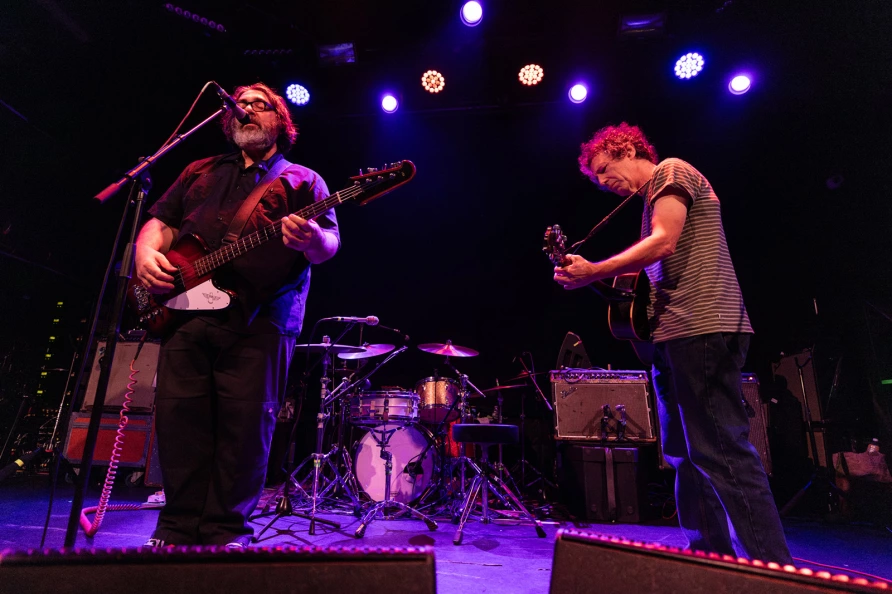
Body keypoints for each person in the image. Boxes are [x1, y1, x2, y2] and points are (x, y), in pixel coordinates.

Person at [554, 122, 793, 564]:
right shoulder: (651, 202)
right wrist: (593, 277)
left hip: (702, 329)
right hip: (673, 337)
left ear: (627, 149)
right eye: (596, 179)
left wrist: (595, 270)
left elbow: (663, 243)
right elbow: (652, 274)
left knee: (722, 452)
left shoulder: (671, 171)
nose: (603, 183)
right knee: (685, 453)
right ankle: (710, 559)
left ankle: (773, 570)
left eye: (603, 170)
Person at [135, 82, 340, 548]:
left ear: (280, 122)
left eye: (258, 104)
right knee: (179, 420)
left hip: (262, 319)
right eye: (240, 103)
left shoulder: (303, 180)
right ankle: (176, 528)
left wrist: (312, 239)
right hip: (186, 313)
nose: (246, 109)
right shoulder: (199, 170)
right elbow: (161, 223)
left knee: (244, 429)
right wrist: (144, 253)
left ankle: (226, 532)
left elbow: (329, 244)